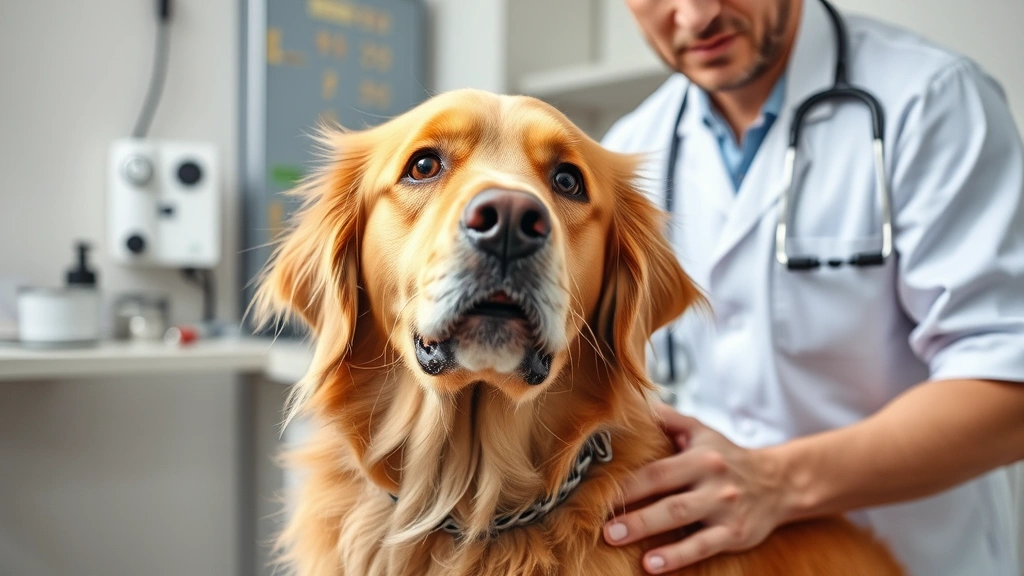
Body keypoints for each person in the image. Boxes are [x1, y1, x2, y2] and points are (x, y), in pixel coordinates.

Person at [598, 0, 1024, 574]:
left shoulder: (931, 100)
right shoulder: (632, 147)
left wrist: (775, 481)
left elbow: (1009, 385)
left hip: (915, 557)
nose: (696, 17)